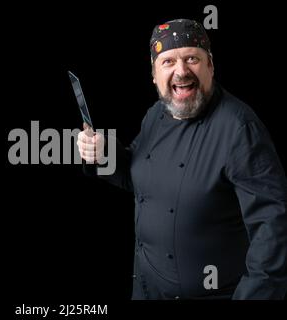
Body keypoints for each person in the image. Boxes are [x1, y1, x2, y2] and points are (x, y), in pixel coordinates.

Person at [77, 19, 287, 299]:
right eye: (168, 62)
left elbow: (272, 226)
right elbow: (137, 176)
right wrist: (104, 152)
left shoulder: (239, 129)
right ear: (154, 74)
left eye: (192, 58)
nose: (181, 71)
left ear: (210, 65)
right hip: (146, 290)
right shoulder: (156, 114)